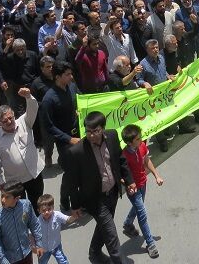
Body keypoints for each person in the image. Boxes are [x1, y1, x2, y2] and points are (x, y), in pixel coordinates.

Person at [60, 111, 136, 264]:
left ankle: (94, 253)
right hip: (95, 200)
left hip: (113, 193)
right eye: (88, 131)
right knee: (112, 236)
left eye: (95, 131)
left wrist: (129, 181)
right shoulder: (77, 151)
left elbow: (120, 159)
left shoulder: (113, 136)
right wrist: (74, 205)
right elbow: (71, 182)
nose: (91, 135)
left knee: (104, 228)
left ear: (103, 128)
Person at [0, 88, 45, 205]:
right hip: (15, 183)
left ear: (14, 115)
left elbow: (33, 108)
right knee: (21, 209)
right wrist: (1, 183)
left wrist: (28, 97)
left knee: (38, 204)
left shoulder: (24, 121)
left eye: (11, 118)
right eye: (5, 121)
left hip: (35, 174)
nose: (9, 121)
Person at [120, 124, 163, 259]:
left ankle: (127, 224)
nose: (141, 140)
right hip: (133, 189)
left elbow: (146, 160)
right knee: (142, 214)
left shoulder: (142, 146)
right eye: (138, 139)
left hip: (143, 184)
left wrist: (156, 175)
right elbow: (120, 175)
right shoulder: (123, 156)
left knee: (138, 207)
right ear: (129, 142)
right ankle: (150, 244)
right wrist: (128, 185)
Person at [39, 62, 80, 173]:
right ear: (57, 77)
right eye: (67, 74)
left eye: (71, 74)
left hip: (78, 132)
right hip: (64, 140)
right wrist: (69, 139)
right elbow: (48, 125)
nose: (71, 77)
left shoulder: (72, 87)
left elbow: (80, 100)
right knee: (70, 167)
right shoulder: (49, 99)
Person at [0, 182, 43, 264]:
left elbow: (34, 224)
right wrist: (3, 260)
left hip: (27, 253)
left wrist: (39, 243)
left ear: (17, 198)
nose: (2, 200)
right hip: (11, 259)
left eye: (7, 197)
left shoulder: (26, 205)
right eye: (2, 196)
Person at [37, 194, 79, 264]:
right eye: (43, 210)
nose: (47, 212)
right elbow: (32, 234)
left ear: (53, 207)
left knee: (63, 261)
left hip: (56, 246)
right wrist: (35, 247)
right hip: (43, 249)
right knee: (42, 262)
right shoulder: (37, 221)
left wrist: (74, 216)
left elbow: (67, 220)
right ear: (39, 211)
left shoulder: (57, 215)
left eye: (49, 209)